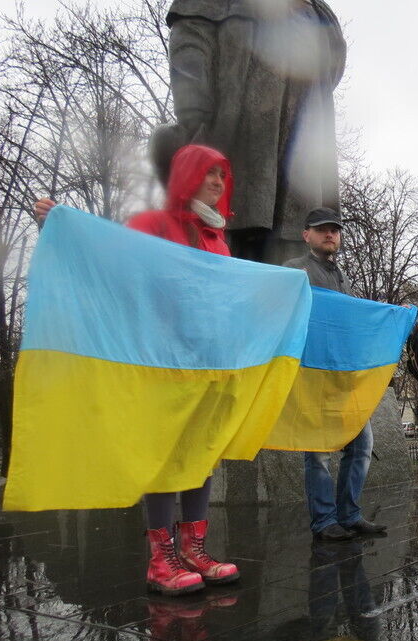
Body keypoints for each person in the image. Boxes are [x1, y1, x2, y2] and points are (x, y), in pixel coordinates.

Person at [35, 144, 240, 596]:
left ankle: (194, 550)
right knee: (164, 456)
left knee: (200, 456)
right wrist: (62, 228)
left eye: (222, 176)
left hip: (206, 363)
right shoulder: (153, 225)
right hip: (160, 361)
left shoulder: (218, 240)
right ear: (186, 176)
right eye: (208, 173)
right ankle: (161, 560)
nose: (217, 182)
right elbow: (109, 261)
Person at [156, 0, 347, 264]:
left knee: (293, 251)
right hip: (235, 137)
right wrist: (193, 112)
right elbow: (190, 37)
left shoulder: (318, 13)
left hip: (300, 154)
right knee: (227, 234)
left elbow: (331, 68)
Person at [284, 207, 387, 540]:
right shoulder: (294, 271)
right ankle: (324, 521)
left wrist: (392, 317)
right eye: (321, 229)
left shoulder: (343, 277)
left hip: (343, 375)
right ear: (306, 235)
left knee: (361, 444)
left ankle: (349, 514)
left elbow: (353, 321)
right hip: (313, 374)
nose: (330, 234)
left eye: (335, 230)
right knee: (318, 452)